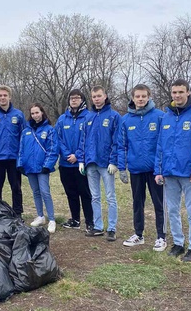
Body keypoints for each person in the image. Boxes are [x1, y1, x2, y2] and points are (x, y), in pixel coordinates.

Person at [154, 79, 191, 262]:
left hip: (190, 174)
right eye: (174, 92)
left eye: (181, 92)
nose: (177, 95)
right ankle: (178, 244)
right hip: (169, 173)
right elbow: (160, 146)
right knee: (172, 210)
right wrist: (158, 170)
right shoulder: (166, 117)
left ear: (188, 92)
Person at [118, 84, 167, 251]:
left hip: (155, 171)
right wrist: (121, 168)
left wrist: (161, 168)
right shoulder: (125, 120)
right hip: (136, 169)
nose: (140, 99)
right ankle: (138, 234)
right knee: (137, 202)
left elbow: (164, 144)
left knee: (158, 203)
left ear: (149, 97)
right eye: (137, 96)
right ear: (132, 98)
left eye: (143, 96)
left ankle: (161, 236)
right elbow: (121, 145)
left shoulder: (160, 117)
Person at [77, 85, 121, 240]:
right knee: (94, 196)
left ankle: (112, 228)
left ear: (105, 96)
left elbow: (117, 141)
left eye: (99, 96)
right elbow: (82, 140)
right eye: (94, 96)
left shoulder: (114, 116)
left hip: (106, 163)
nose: (96, 99)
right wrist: (81, 160)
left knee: (110, 196)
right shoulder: (87, 117)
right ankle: (98, 226)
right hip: (90, 163)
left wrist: (114, 161)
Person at [0, 85, 26, 216]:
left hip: (14, 158)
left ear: (10, 97)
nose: (2, 98)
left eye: (5, 95)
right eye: (0, 95)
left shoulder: (18, 115)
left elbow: (24, 137)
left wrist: (22, 156)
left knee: (16, 187)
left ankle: (18, 213)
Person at [17, 104, 59, 233]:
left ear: (42, 112)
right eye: (33, 113)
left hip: (42, 167)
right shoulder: (26, 131)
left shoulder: (49, 130)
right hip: (30, 167)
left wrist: (47, 165)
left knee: (45, 192)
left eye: (37, 112)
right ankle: (40, 216)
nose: (35, 115)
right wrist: (20, 164)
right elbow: (21, 149)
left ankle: (51, 219)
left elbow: (53, 149)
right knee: (35, 192)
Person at [56, 89, 93, 231]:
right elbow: (58, 139)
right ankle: (75, 220)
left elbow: (89, 139)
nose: (74, 100)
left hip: (81, 163)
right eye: (72, 98)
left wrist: (77, 155)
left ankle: (90, 222)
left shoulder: (88, 117)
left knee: (85, 194)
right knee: (71, 193)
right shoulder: (62, 119)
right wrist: (66, 154)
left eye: (77, 98)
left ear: (82, 100)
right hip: (65, 164)